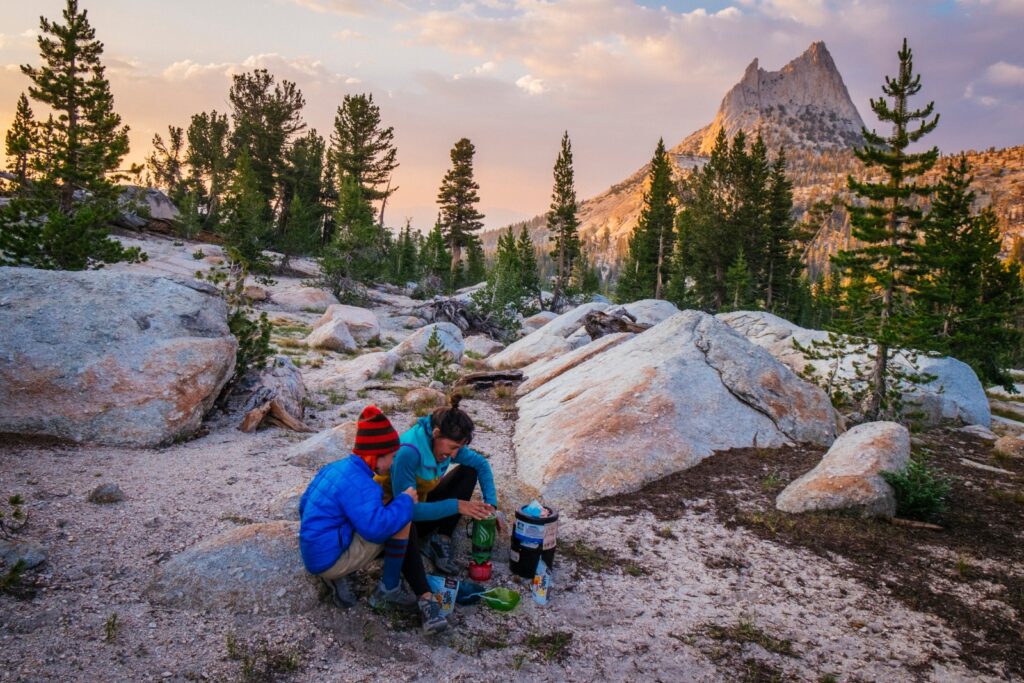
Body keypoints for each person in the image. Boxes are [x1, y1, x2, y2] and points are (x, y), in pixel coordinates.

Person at [298, 405, 447, 634]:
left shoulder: (335, 468)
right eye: (392, 457)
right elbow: (376, 531)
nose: (394, 463)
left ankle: (339, 575)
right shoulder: (365, 485)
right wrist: (406, 500)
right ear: (374, 455)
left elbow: (303, 505)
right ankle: (388, 590)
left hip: (314, 552)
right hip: (330, 560)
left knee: (388, 514)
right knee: (402, 520)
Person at [377, 395, 499, 575]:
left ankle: (440, 540)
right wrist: (458, 506)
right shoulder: (408, 453)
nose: (454, 454)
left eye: (459, 448)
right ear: (435, 433)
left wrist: (491, 506)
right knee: (408, 521)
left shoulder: (446, 442)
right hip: (395, 520)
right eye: (452, 447)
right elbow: (408, 510)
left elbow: (481, 464)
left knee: (469, 471)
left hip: (421, 504)